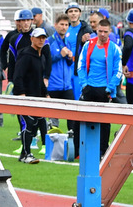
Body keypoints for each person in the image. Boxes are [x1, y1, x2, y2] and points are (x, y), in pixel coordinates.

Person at [75, 18, 122, 160]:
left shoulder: (114, 48)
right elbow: (80, 66)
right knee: (81, 119)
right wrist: (84, 84)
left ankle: (102, 151)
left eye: (105, 32)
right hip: (89, 88)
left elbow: (118, 71)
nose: (102, 34)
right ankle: (79, 150)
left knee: (104, 122)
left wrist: (110, 87)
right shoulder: (88, 45)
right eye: (100, 31)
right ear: (96, 30)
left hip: (105, 90)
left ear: (110, 32)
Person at [14, 27, 51, 164]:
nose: (41, 40)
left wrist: (45, 94)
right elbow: (18, 76)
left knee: (35, 125)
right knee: (28, 124)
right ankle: (26, 153)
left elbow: (39, 79)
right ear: (32, 39)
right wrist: (21, 94)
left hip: (37, 97)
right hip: (25, 96)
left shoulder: (40, 56)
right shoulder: (26, 55)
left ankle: (25, 153)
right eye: (39, 37)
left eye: (43, 37)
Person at [0, 9, 33, 140]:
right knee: (20, 107)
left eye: (26, 20)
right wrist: (6, 69)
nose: (23, 23)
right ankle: (24, 132)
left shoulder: (36, 36)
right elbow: (4, 52)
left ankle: (35, 134)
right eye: (20, 20)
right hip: (18, 77)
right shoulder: (12, 37)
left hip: (32, 78)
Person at [46, 15, 75, 131]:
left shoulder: (67, 42)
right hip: (53, 85)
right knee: (53, 120)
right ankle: (51, 142)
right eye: (61, 24)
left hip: (66, 86)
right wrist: (60, 56)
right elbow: (45, 61)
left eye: (66, 25)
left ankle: (72, 139)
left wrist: (69, 58)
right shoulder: (49, 41)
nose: (64, 27)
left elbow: (69, 64)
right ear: (55, 25)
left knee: (72, 115)